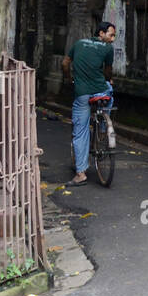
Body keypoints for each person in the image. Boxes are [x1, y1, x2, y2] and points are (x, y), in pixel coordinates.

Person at [62, 22, 116, 186]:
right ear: (101, 33)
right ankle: (103, 128)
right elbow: (107, 72)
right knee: (109, 93)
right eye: (111, 35)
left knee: (80, 131)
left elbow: (65, 63)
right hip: (101, 90)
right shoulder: (107, 49)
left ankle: (81, 174)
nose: (112, 39)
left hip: (82, 93)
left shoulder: (78, 44)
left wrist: (68, 78)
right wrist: (107, 80)